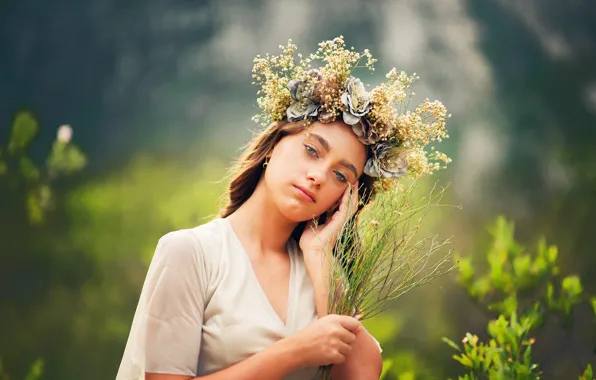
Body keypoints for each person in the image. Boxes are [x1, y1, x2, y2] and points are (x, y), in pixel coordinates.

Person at [115, 36, 448, 380]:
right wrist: (294, 352)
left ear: (344, 198)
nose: (318, 176)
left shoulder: (318, 274)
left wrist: (319, 255)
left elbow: (362, 373)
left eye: (339, 175)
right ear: (274, 145)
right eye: (312, 150)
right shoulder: (192, 254)